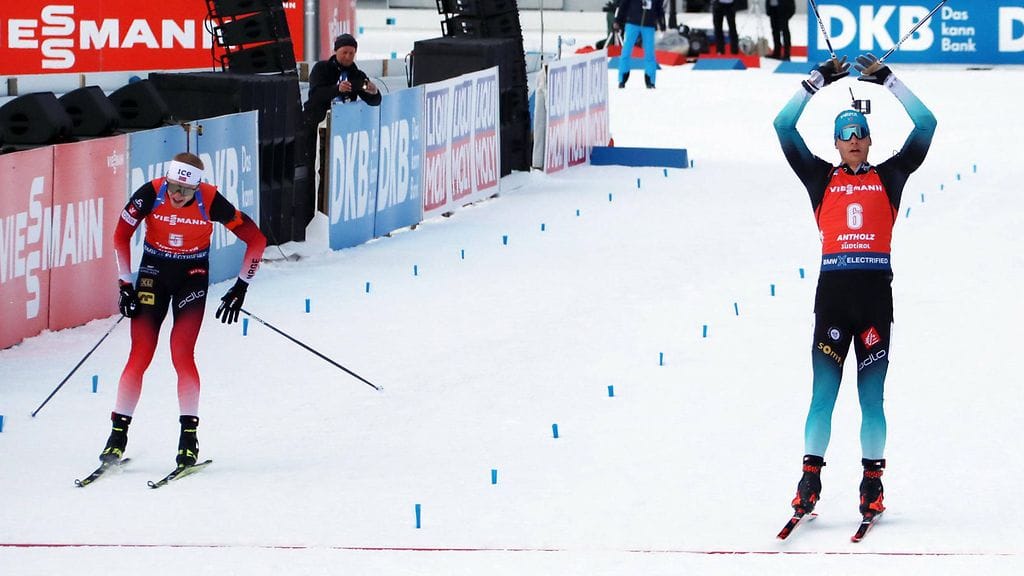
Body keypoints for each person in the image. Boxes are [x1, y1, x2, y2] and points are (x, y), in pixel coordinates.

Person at [773, 54, 937, 521]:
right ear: (835, 143)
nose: (852, 142)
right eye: (844, 135)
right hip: (833, 302)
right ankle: (810, 478)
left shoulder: (891, 176)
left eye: (859, 134)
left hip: (873, 303)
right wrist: (818, 81)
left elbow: (926, 124)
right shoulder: (820, 177)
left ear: (869, 140)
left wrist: (887, 81)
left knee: (872, 399)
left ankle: (872, 482)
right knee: (822, 395)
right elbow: (784, 127)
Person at [99, 152, 267, 469]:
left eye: (185, 191)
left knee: (181, 354)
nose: (177, 196)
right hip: (153, 275)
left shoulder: (211, 199)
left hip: (192, 277)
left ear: (197, 188)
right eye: (174, 187)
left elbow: (256, 240)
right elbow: (120, 236)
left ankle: (188, 440)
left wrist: (241, 286)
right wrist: (124, 285)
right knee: (140, 354)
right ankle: (117, 436)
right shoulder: (150, 192)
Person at [303, 33, 382, 220]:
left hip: (343, 129)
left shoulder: (357, 75)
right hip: (318, 127)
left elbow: (374, 100)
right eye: (344, 52)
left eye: (351, 53)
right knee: (316, 170)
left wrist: (373, 91)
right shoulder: (322, 69)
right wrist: (336, 90)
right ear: (336, 51)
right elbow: (314, 96)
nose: (348, 57)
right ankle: (315, 214)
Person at [613, 0, 666, 89]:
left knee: (649, 53)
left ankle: (650, 80)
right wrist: (617, 21)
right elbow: (623, 5)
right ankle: (622, 78)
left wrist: (662, 23)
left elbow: (659, 8)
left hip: (649, 25)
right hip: (632, 23)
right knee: (626, 51)